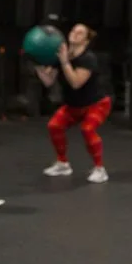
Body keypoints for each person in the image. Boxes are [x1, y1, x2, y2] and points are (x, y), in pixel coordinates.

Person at [35, 23, 111, 183]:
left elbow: (76, 82)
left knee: (88, 129)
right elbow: (48, 81)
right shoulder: (62, 55)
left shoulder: (88, 58)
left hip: (97, 104)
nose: (74, 34)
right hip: (73, 105)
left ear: (86, 40)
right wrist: (38, 65)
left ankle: (100, 169)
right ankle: (63, 164)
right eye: (73, 30)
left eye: (80, 33)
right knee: (54, 126)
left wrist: (64, 62)